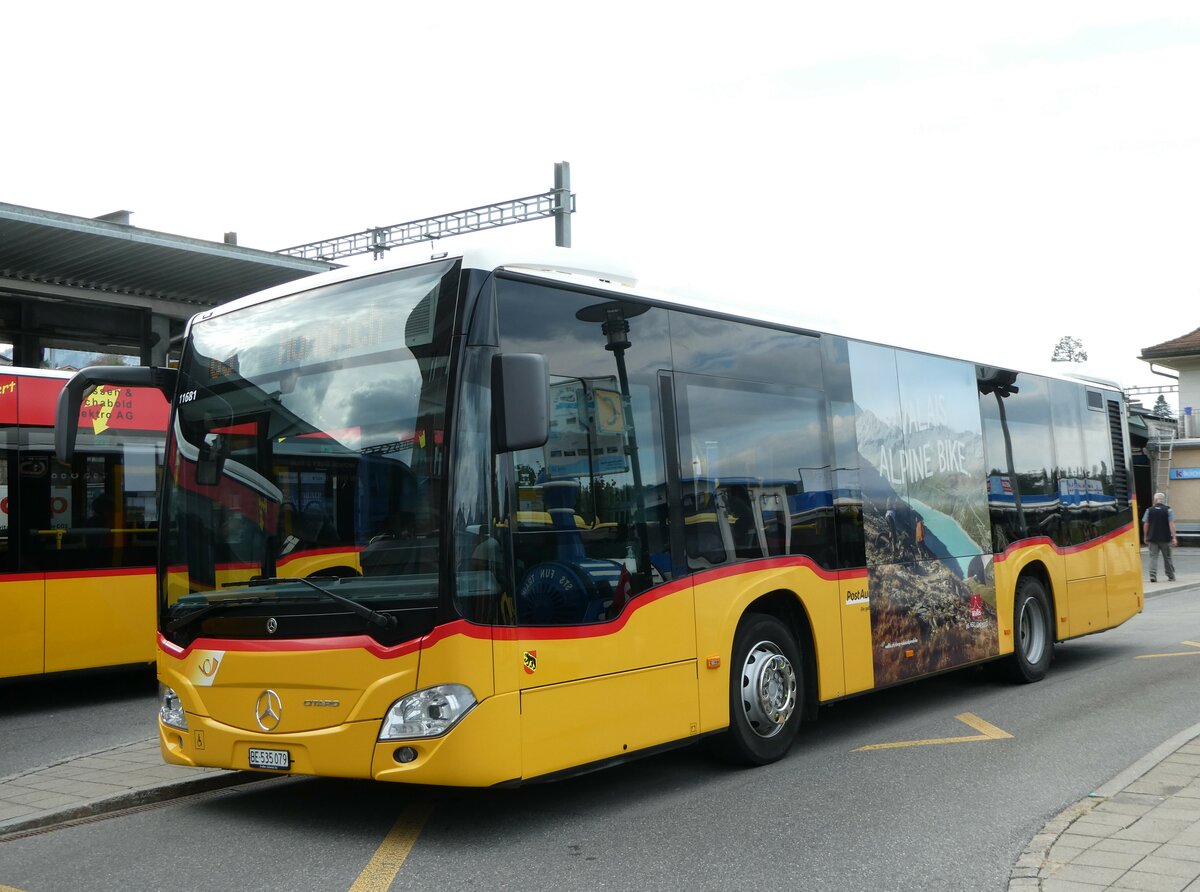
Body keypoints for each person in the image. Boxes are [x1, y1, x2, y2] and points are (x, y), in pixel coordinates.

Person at [1142, 491, 1177, 583]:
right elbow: (1171, 524)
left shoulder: (1149, 510)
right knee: (1167, 557)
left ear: (1155, 499)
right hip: (1165, 538)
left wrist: (1145, 536)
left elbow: (1146, 524)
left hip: (1152, 538)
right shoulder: (1168, 510)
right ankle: (1171, 576)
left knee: (1153, 557)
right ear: (1163, 500)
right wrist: (1174, 537)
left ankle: (1153, 576)